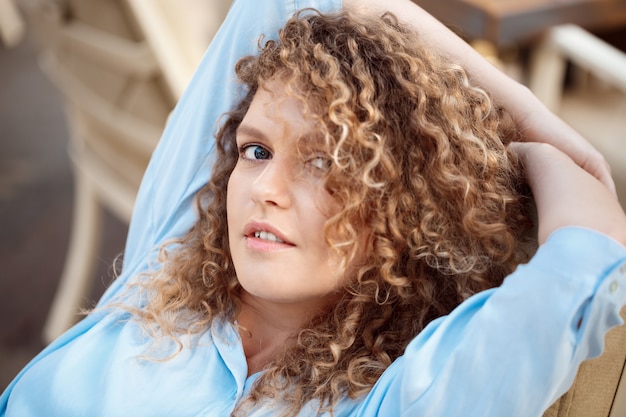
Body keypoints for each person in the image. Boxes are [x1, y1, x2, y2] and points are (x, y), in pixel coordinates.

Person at [2, 1, 625, 416]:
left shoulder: (399, 400)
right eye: (255, 150)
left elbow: (587, 262)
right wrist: (535, 115)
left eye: (324, 162)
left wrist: (541, 154)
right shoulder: (171, 262)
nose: (264, 187)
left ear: (401, 213)